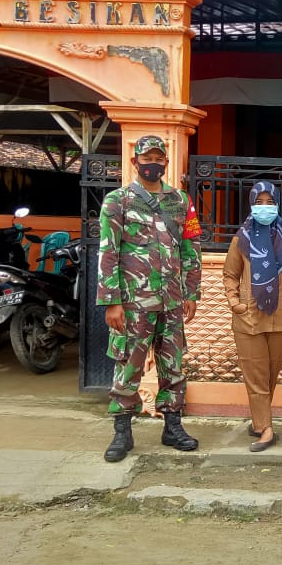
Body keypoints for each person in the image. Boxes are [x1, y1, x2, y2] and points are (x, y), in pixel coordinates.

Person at [98, 135, 203, 463]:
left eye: (158, 158)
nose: (152, 163)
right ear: (135, 162)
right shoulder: (118, 201)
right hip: (133, 302)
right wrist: (111, 301)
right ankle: (122, 432)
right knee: (128, 364)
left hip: (172, 300)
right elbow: (107, 251)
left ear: (166, 163)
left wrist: (191, 292)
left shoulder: (181, 201)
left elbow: (191, 248)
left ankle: (172, 426)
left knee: (173, 364)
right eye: (147, 158)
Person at [223, 181, 282, 452]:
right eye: (258, 202)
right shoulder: (241, 238)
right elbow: (230, 274)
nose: (264, 208)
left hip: (281, 317)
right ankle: (266, 429)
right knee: (255, 374)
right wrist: (234, 302)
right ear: (251, 204)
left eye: (269, 202)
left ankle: (258, 420)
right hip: (248, 316)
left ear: (278, 204)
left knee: (269, 375)